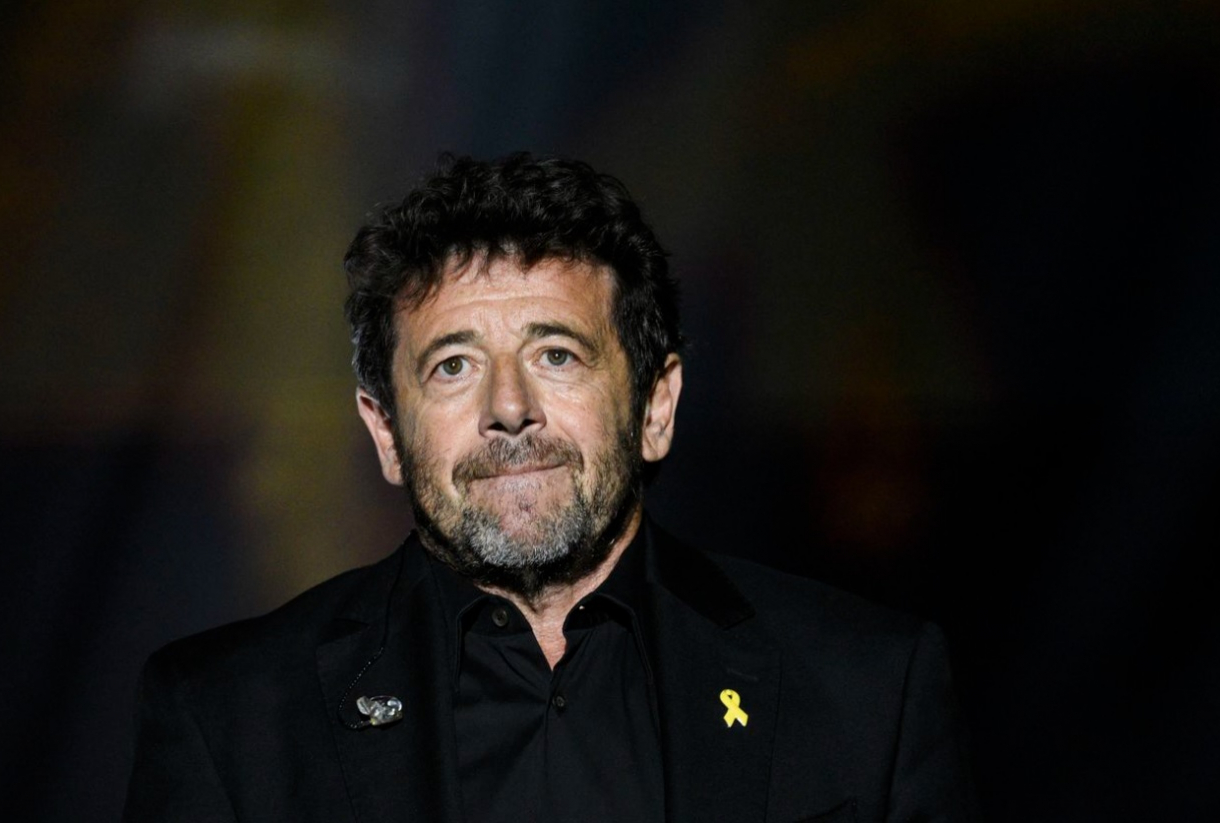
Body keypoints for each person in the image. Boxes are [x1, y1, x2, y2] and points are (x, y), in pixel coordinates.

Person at [122, 153, 980, 822]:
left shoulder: (868, 688)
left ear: (655, 406)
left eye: (556, 354)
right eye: (453, 365)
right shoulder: (228, 717)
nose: (509, 407)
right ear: (386, 432)